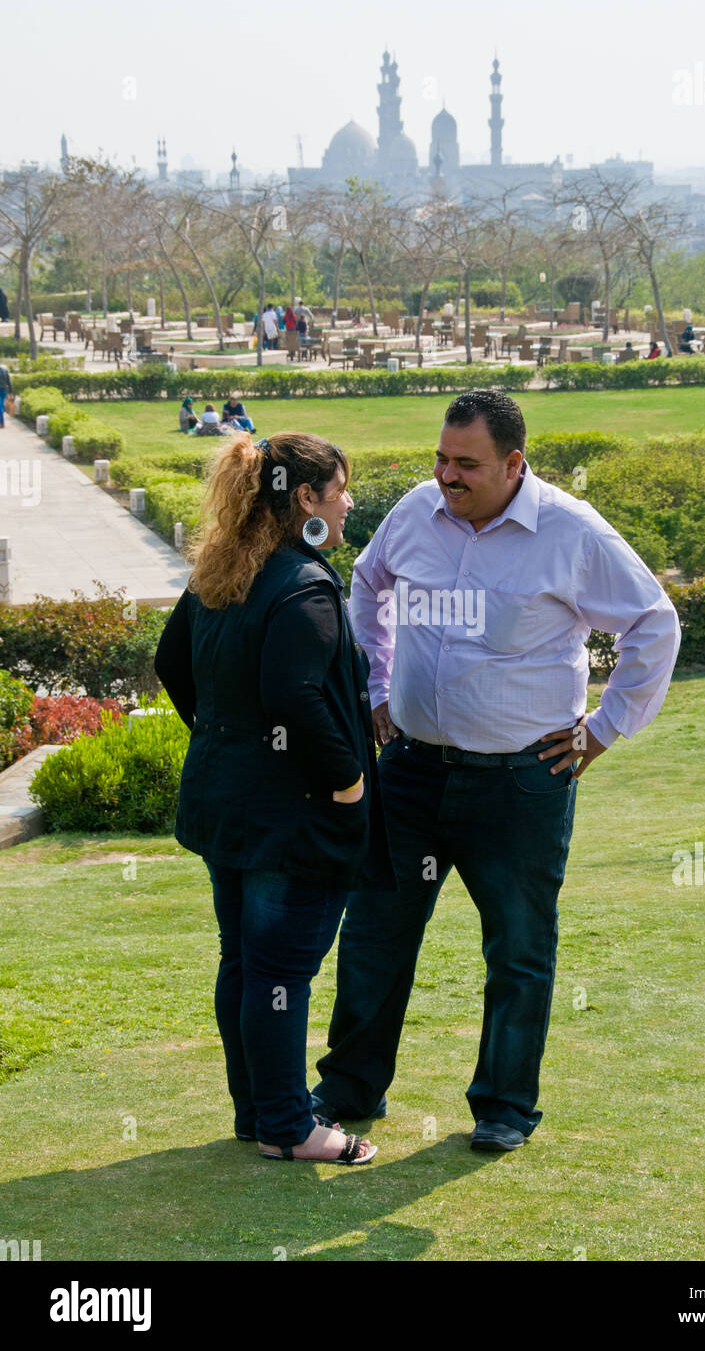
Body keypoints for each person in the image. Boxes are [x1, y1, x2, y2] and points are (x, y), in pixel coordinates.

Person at [310, 389, 681, 1152]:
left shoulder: (571, 532)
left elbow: (653, 622)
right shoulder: (415, 510)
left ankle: (503, 1109)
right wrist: (376, 686)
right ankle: (349, 1088)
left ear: (514, 463)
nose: (446, 475)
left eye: (466, 464)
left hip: (519, 783)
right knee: (376, 934)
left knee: (516, 948)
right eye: (441, 458)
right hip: (408, 770)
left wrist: (604, 730)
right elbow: (368, 584)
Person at [154, 430, 396, 1164]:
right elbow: (294, 695)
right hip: (290, 820)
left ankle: (258, 1113)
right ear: (304, 499)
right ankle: (288, 1127)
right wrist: (347, 781)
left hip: (226, 806)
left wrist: (226, 741)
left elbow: (172, 666)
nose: (349, 502)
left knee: (246, 963)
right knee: (279, 972)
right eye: (339, 490)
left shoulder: (220, 573)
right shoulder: (302, 582)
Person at [0, 360, 12, 425]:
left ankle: (1, 422)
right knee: (1, 405)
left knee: (0, 406)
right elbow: (9, 382)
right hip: (4, 391)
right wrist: (10, 392)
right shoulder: (5, 370)